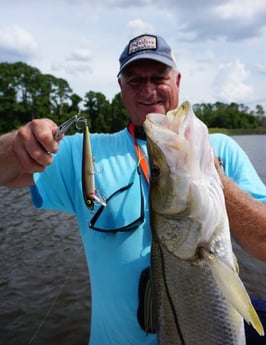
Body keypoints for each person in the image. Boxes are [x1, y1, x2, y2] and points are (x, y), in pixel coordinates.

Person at [0, 33, 266, 344]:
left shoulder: (219, 149)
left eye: (158, 77)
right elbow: (7, 171)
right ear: (121, 87)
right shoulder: (83, 152)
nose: (149, 89)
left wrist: (214, 180)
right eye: (135, 80)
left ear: (178, 80)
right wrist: (18, 145)